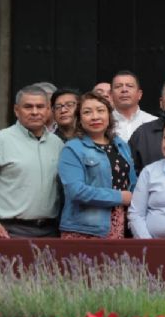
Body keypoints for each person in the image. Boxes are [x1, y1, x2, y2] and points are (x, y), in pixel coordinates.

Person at [58, 92, 137, 239]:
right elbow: (76, 191)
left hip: (120, 224)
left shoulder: (121, 145)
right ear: (80, 119)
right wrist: (120, 197)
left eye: (100, 111)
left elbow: (133, 185)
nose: (95, 117)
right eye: (87, 112)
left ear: (109, 116)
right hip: (84, 229)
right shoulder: (72, 148)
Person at [0, 85, 65, 238]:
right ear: (16, 110)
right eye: (28, 107)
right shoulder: (2, 139)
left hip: (51, 231)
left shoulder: (58, 144)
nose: (35, 112)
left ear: (48, 110)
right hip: (10, 231)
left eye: (40, 107)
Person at [111, 70, 158, 141]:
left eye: (129, 86)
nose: (124, 90)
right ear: (111, 95)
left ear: (139, 94)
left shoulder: (153, 122)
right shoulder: (104, 123)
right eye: (118, 86)